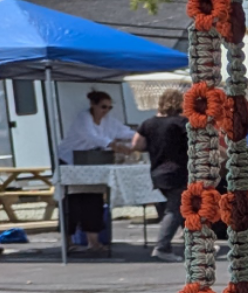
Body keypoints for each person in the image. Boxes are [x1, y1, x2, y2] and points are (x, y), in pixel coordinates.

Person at [57, 88, 135, 254]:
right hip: (70, 162)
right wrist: (115, 145)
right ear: (93, 105)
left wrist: (140, 136)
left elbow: (124, 132)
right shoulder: (83, 118)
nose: (105, 111)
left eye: (109, 107)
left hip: (91, 163)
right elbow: (92, 137)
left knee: (94, 200)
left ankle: (94, 241)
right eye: (103, 107)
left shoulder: (109, 121)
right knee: (72, 203)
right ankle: (68, 241)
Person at [131, 88, 189, 262]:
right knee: (175, 210)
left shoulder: (148, 123)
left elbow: (137, 145)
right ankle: (162, 247)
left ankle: (195, 243)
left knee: (180, 208)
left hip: (158, 172)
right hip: (178, 171)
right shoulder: (181, 123)